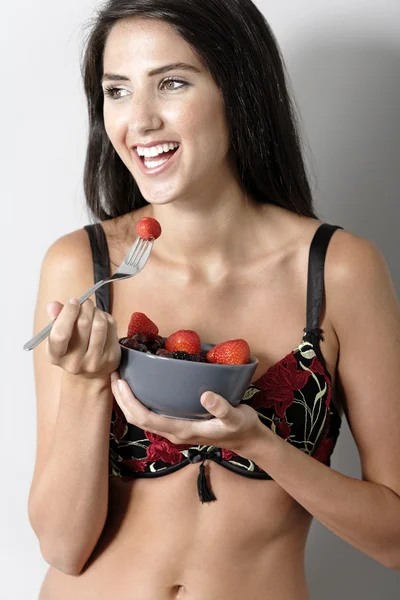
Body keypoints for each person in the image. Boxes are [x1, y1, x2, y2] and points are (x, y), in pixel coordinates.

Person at [28, 0, 400, 598]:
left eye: (170, 83)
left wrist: (259, 444)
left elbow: (395, 540)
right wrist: (84, 384)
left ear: (239, 90)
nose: (139, 120)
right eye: (117, 90)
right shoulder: (83, 264)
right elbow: (63, 548)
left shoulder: (339, 271)